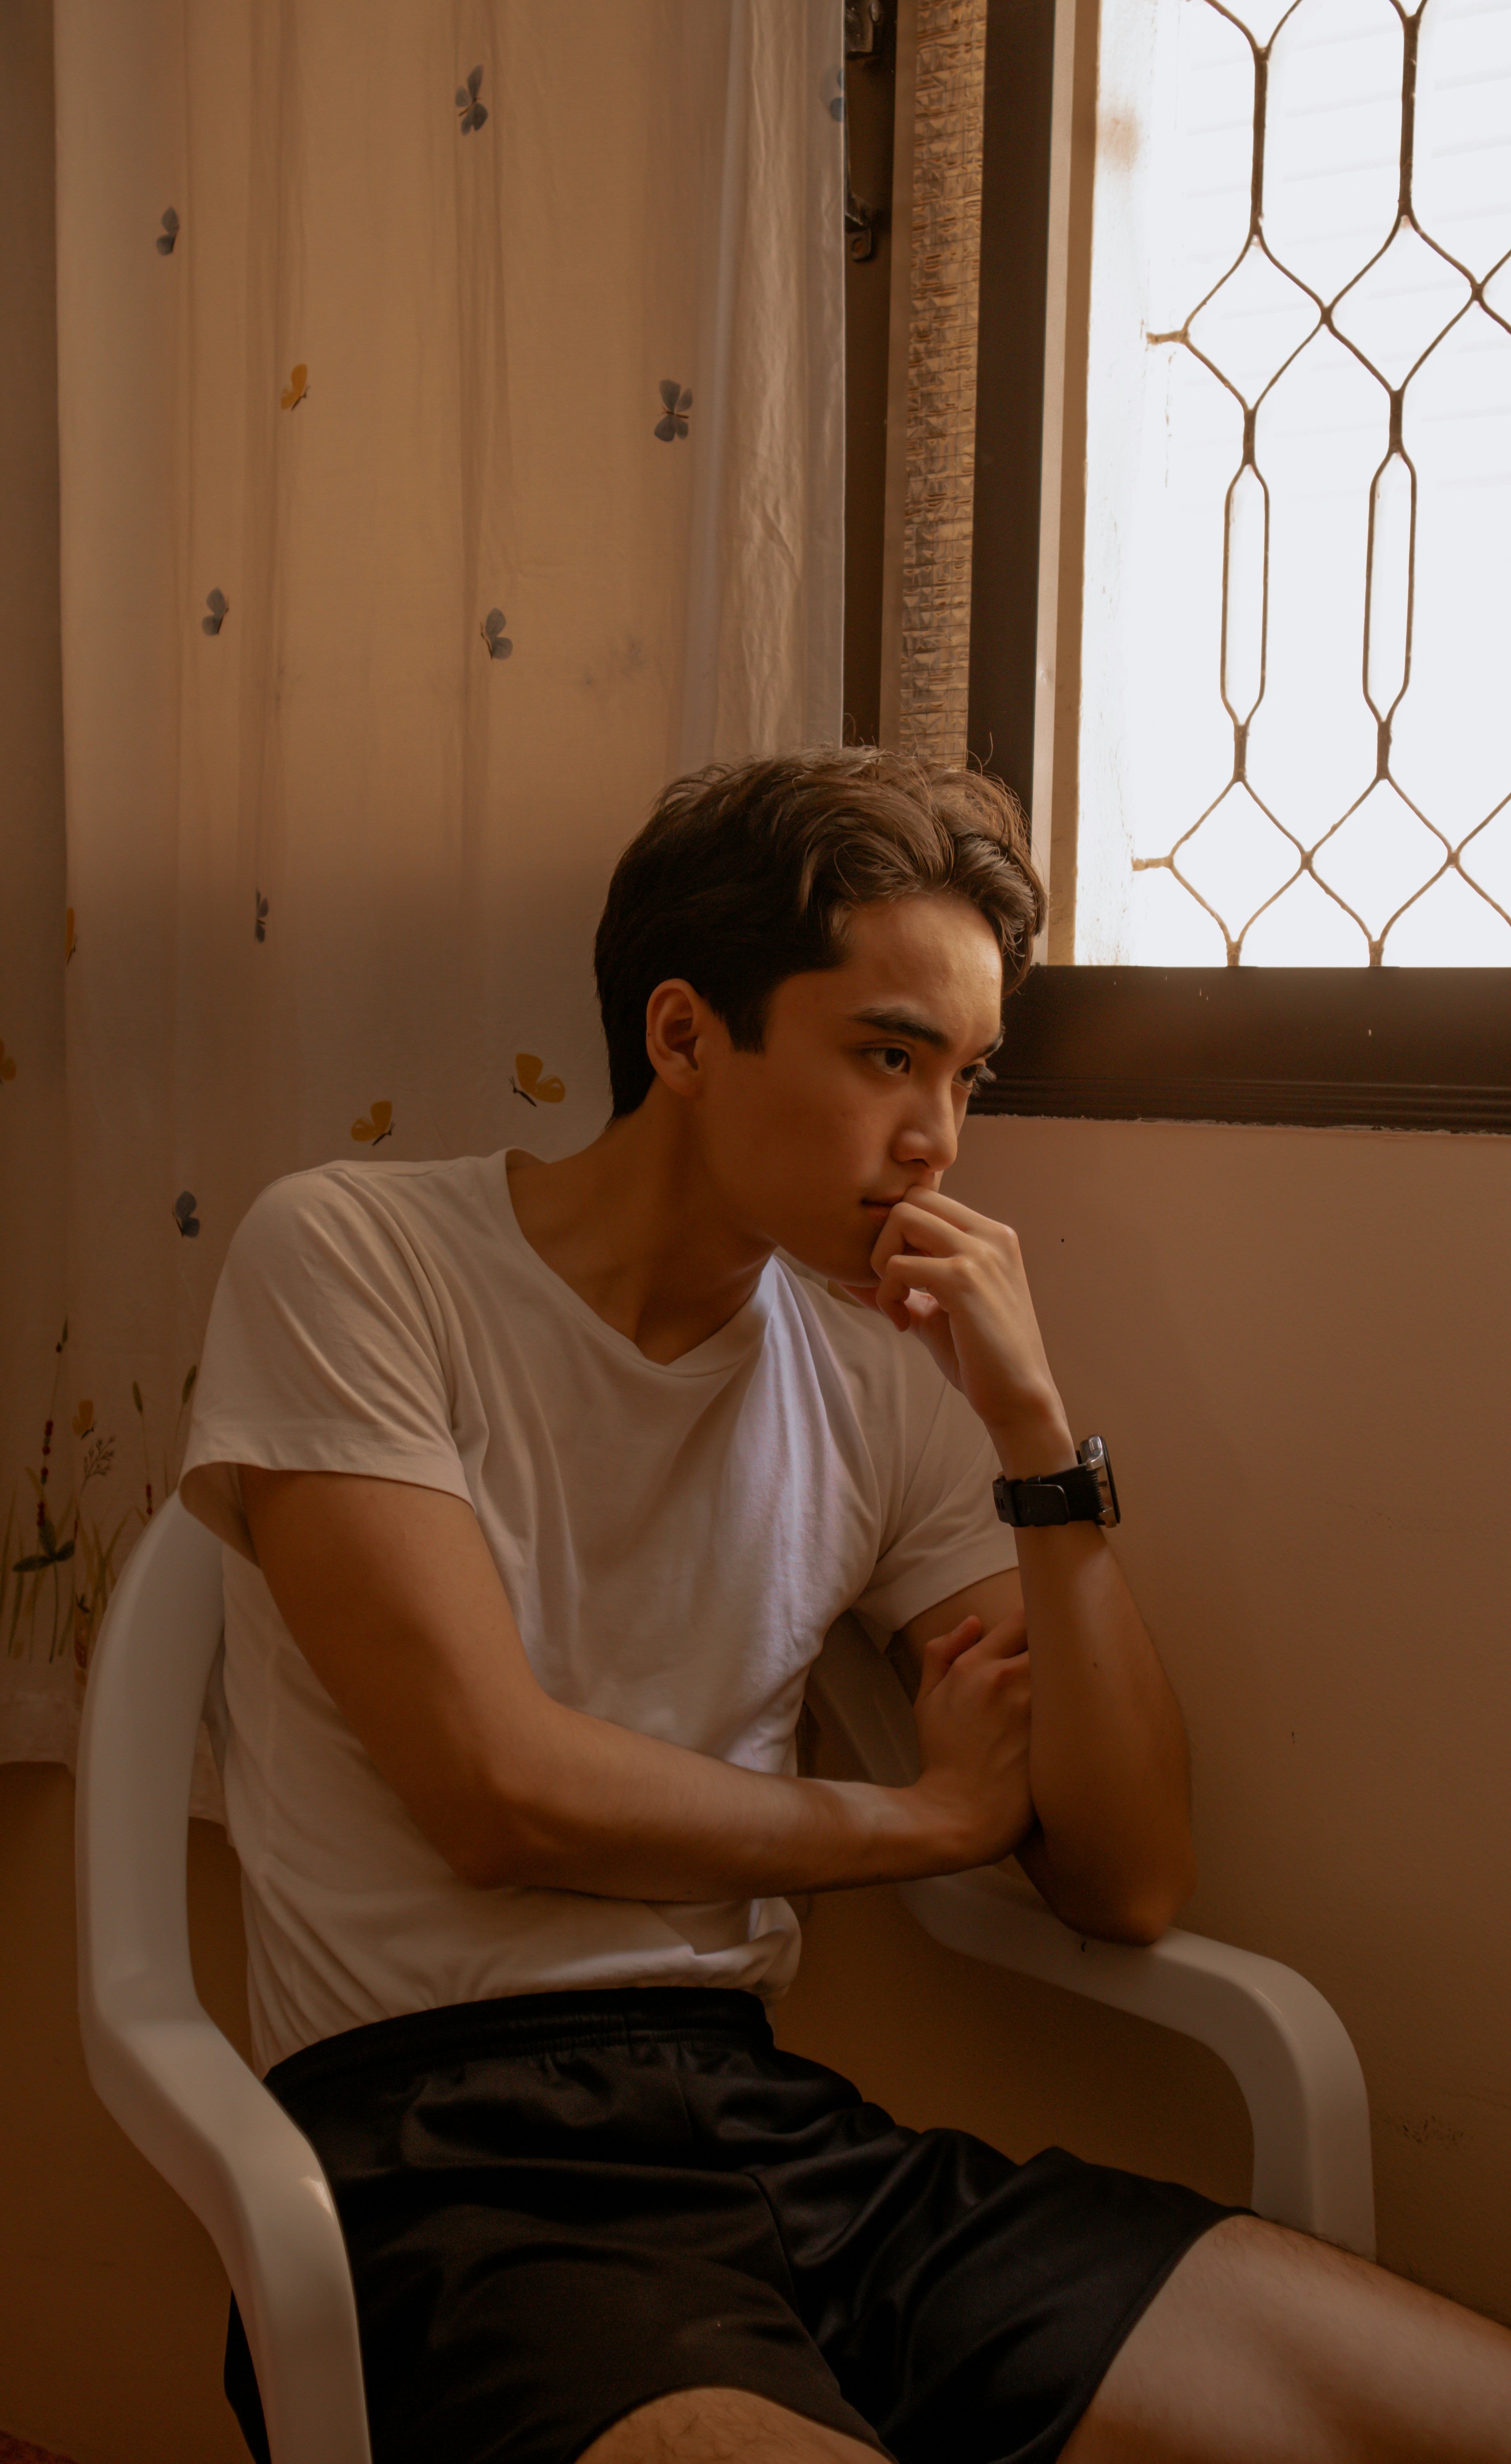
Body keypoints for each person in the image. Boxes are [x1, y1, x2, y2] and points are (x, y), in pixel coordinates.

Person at [180, 747, 1511, 2464]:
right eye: (888, 1056)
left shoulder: (874, 1378)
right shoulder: (359, 1258)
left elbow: (1125, 1872)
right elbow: (493, 1794)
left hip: (776, 2133)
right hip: (444, 2167)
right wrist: (923, 1818)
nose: (935, 1142)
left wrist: (1033, 1432)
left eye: (965, 1077)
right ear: (681, 1039)